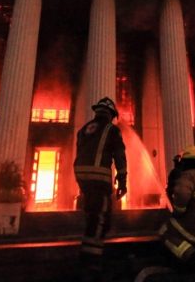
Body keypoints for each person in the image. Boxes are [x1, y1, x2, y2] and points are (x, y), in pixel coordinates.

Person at [73, 96, 127, 282]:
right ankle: (91, 264)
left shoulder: (83, 130)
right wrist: (123, 180)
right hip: (99, 177)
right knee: (101, 218)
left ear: (97, 112)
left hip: (81, 176)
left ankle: (88, 254)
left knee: (92, 213)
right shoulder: (112, 130)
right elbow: (119, 155)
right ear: (111, 115)